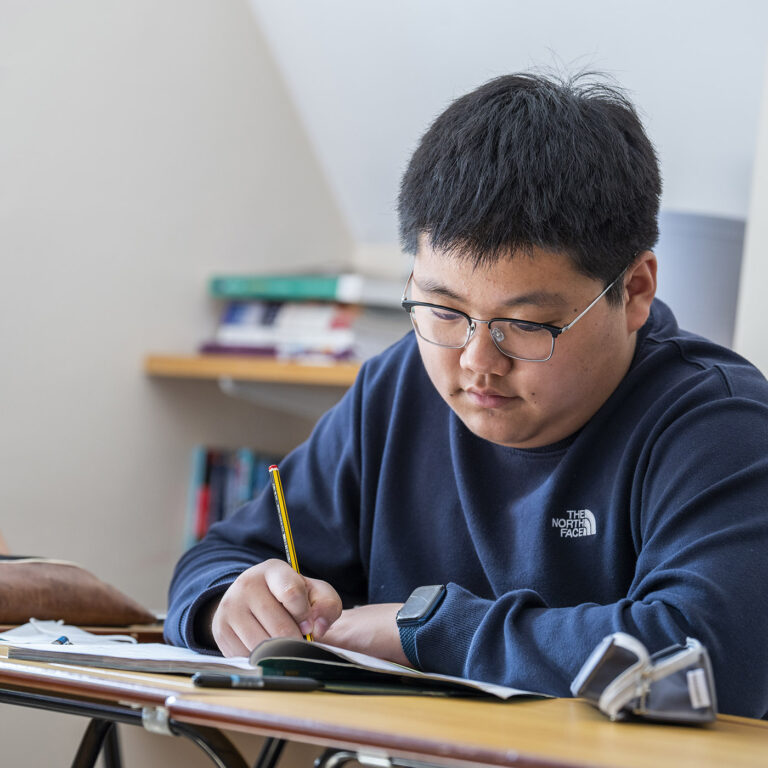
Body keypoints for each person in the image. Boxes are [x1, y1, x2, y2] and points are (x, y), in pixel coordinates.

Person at [166, 72, 768, 718]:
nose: (478, 362)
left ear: (637, 291)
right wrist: (228, 599)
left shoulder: (722, 425)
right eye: (443, 311)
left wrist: (423, 627)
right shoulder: (397, 389)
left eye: (527, 324)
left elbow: (705, 657)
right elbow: (222, 556)